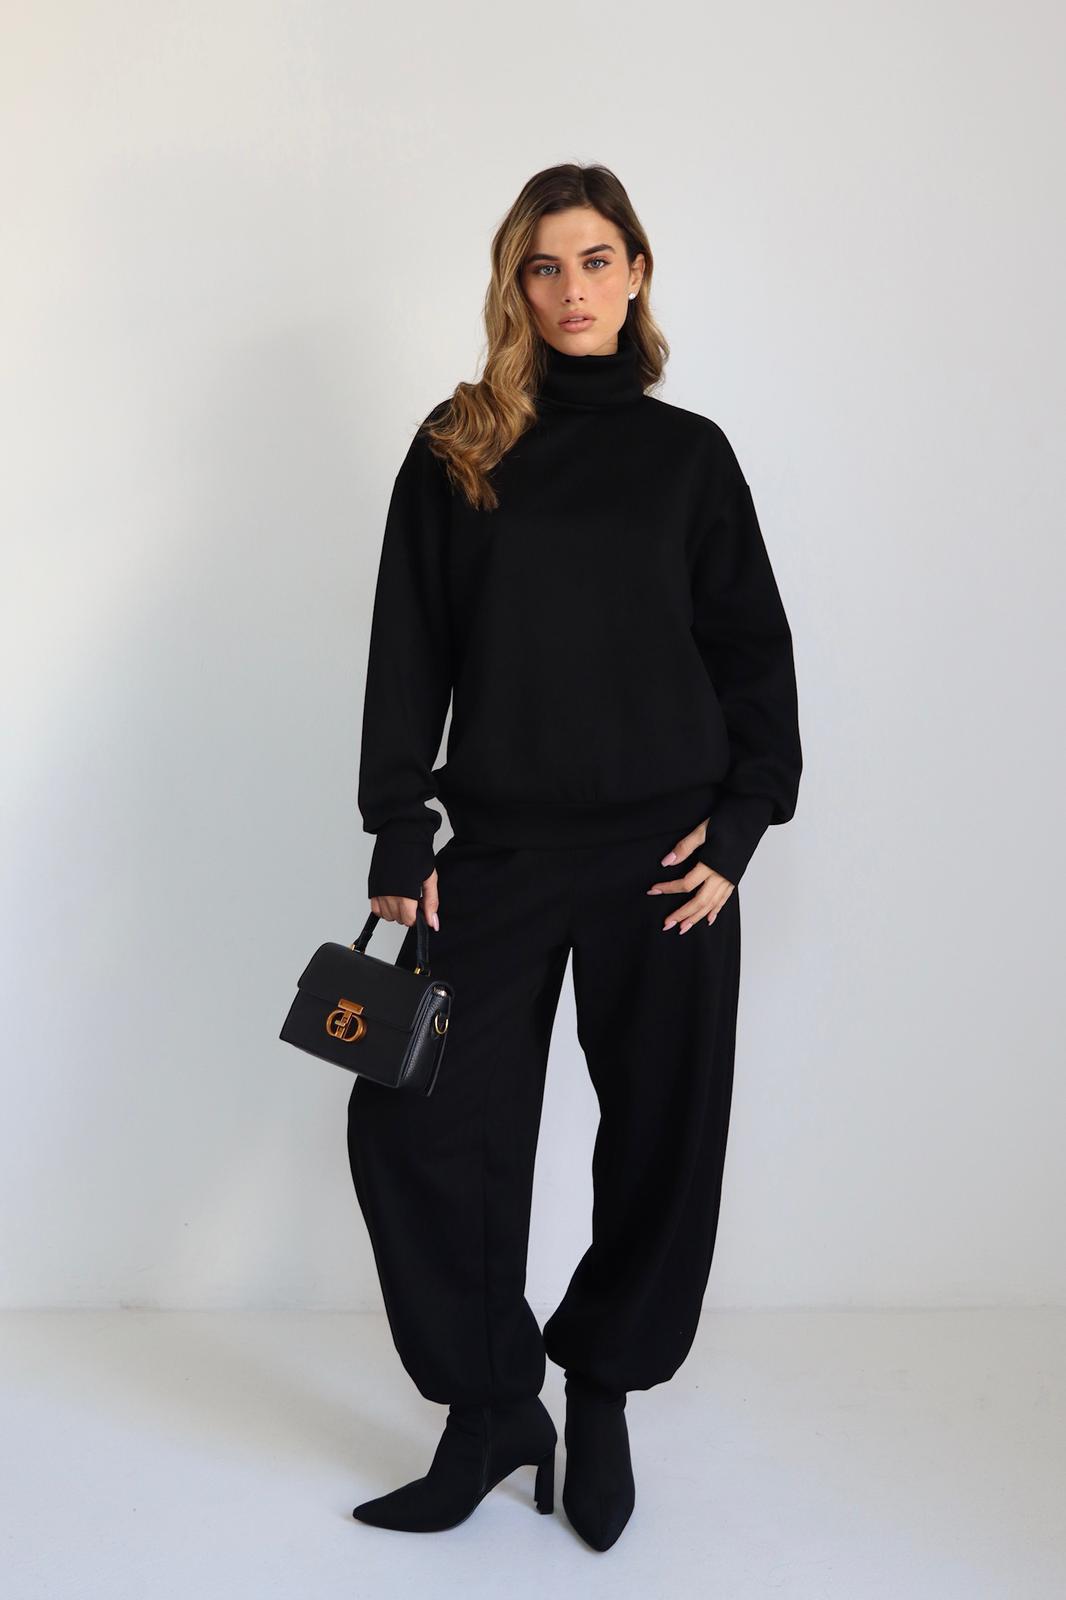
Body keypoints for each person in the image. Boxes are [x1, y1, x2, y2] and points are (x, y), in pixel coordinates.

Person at [346, 162, 803, 1551]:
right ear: (515, 285)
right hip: (495, 850)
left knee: (661, 1135)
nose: (572, 289)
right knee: (415, 1124)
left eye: (597, 260)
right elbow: (408, 642)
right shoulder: (461, 444)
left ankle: (598, 1386)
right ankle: (494, 1405)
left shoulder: (689, 457)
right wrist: (399, 822)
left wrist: (741, 824)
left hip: (666, 860)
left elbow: (750, 652)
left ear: (638, 271)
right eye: (544, 266)